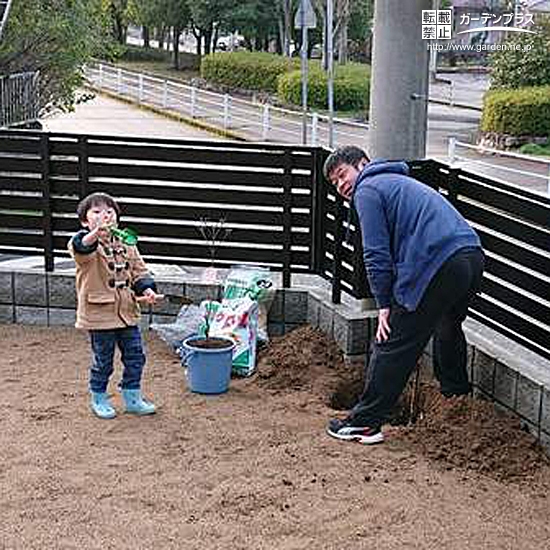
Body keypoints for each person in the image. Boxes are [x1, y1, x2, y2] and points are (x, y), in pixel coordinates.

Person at [323, 146, 484, 445]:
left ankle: (365, 423)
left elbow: (376, 252)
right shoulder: (400, 183)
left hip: (436, 261)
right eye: (334, 182)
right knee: (447, 324)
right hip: (470, 257)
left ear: (363, 164)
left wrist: (384, 303)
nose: (341, 185)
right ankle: (457, 399)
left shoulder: (368, 190)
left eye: (342, 174)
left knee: (393, 340)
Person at [69, 192, 164, 419]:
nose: (105, 216)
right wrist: (95, 234)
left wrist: (148, 290)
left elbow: (139, 271)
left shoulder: (126, 243)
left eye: (109, 211)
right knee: (104, 361)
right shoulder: (85, 243)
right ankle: (99, 398)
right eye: (97, 212)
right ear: (85, 220)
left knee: (135, 356)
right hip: (99, 315)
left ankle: (132, 397)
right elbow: (81, 249)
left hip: (127, 313)